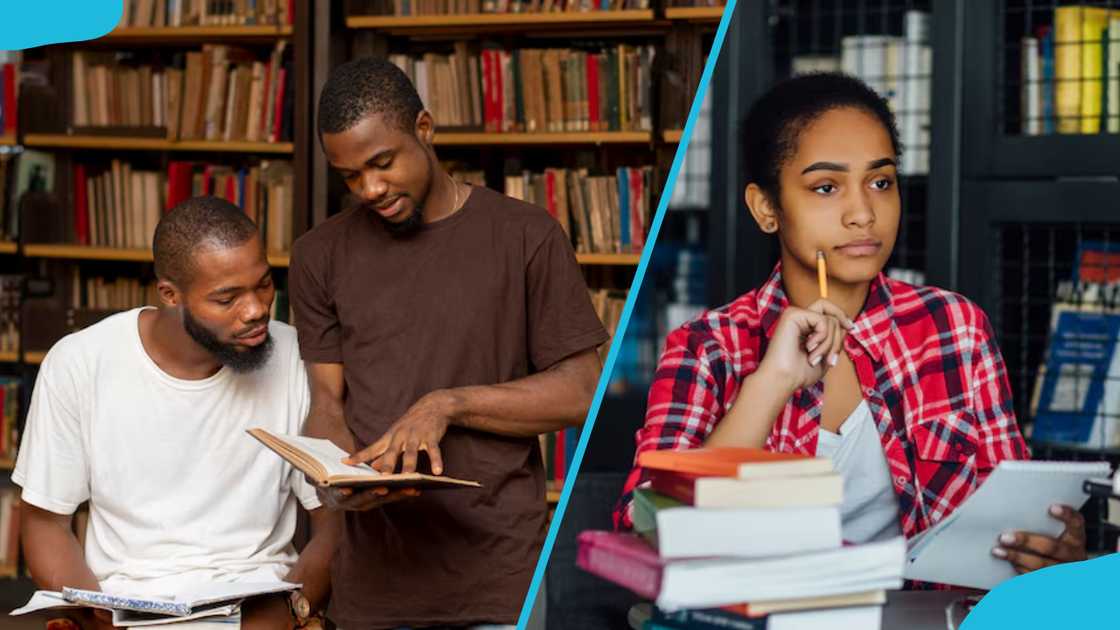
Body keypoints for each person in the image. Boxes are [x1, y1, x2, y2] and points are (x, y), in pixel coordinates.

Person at [616, 72, 1086, 577]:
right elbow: (644, 531)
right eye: (826, 187)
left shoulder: (955, 326)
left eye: (880, 182)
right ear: (766, 208)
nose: (863, 213)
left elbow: (1013, 511)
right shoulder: (708, 346)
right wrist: (771, 383)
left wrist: (1048, 544)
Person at [289, 57, 607, 629]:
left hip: (498, 580)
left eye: (382, 163)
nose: (371, 189)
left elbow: (581, 391)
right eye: (350, 177)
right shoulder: (318, 256)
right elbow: (327, 407)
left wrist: (447, 404)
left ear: (425, 129)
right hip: (374, 585)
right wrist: (338, 479)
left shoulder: (526, 235)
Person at [14, 196, 339, 629]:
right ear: (170, 295)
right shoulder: (79, 362)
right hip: (124, 607)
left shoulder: (297, 359)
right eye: (228, 298)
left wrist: (292, 610)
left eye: (263, 283)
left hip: (259, 609)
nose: (257, 309)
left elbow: (334, 517)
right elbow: (46, 523)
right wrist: (95, 616)